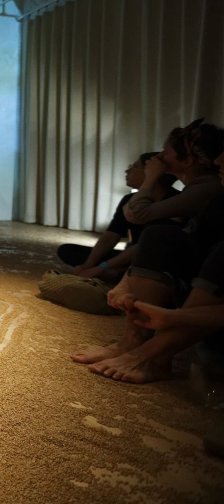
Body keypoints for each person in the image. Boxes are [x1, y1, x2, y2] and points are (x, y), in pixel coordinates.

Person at [71, 124, 224, 383]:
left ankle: (153, 354)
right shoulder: (218, 200)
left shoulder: (207, 190)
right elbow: (182, 240)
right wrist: (125, 281)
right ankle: (131, 342)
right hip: (194, 295)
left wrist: (175, 317)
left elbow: (138, 215)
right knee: (160, 234)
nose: (219, 160)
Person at [56, 152, 178, 283]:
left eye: (134, 166)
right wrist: (89, 264)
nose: (127, 170)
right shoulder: (129, 199)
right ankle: (119, 275)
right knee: (68, 250)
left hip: (154, 259)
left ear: (151, 172)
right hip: (129, 257)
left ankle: (119, 276)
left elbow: (142, 246)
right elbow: (110, 236)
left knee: (159, 269)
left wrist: (100, 268)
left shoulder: (176, 202)